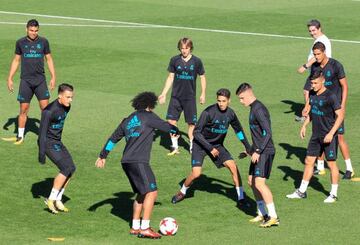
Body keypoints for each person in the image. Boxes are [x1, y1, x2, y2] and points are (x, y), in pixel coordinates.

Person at [95, 92, 179, 239]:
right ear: (149, 105)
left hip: (126, 161)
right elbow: (167, 126)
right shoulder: (148, 116)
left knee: (142, 193)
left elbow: (113, 139)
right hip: (139, 161)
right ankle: (145, 228)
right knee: (152, 192)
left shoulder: (127, 120)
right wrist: (175, 131)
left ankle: (135, 227)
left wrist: (103, 156)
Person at [171, 88, 251, 207]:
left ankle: (241, 198)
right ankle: (182, 192)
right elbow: (196, 133)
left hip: (217, 145)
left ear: (229, 100)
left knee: (233, 166)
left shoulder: (231, 114)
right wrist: (210, 148)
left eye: (224, 101)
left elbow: (238, 130)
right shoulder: (208, 112)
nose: (221, 104)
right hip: (201, 145)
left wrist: (247, 146)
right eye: (219, 101)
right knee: (196, 173)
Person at [287, 70, 344, 203]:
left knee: (331, 164)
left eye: (315, 83)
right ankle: (301, 191)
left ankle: (333, 194)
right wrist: (304, 125)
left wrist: (331, 133)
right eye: (311, 83)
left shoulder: (331, 96)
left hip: (328, 136)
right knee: (308, 161)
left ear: (323, 81)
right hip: (316, 136)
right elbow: (312, 112)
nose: (312, 85)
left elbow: (340, 116)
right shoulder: (312, 94)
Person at [303, 42, 354, 179]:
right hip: (321, 108)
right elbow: (311, 89)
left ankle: (349, 168)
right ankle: (320, 167)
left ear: (324, 52)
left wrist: (342, 104)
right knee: (320, 134)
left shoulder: (336, 65)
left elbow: (345, 86)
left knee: (340, 138)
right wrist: (307, 105)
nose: (316, 57)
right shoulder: (314, 67)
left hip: (335, 108)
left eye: (318, 54)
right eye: (314, 54)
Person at [4, 19, 56, 144]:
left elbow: (49, 59)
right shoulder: (20, 42)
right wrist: (10, 77)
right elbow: (16, 60)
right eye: (31, 30)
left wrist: (53, 76)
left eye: (36, 30)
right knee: (23, 109)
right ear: (26, 29)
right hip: (26, 81)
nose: (33, 33)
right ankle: (20, 136)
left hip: (40, 81)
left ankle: (48, 137)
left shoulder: (43, 42)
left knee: (45, 110)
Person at [236, 83, 279, 228]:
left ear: (248, 94)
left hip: (265, 152)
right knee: (251, 181)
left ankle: (273, 216)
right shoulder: (253, 108)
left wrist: (258, 151)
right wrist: (250, 151)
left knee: (260, 183)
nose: (241, 102)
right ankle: (262, 213)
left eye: (242, 98)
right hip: (257, 151)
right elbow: (258, 135)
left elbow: (267, 132)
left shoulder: (259, 109)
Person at [158, 37, 206, 155]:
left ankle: (192, 146)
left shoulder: (197, 61)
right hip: (176, 97)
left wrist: (203, 93)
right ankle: (175, 146)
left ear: (190, 48)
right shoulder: (174, 60)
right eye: (182, 48)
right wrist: (164, 93)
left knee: (191, 124)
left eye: (186, 48)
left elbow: (202, 77)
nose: (184, 50)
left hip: (189, 98)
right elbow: (170, 77)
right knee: (171, 121)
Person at [38, 83, 75, 214]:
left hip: (57, 142)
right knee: (65, 168)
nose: (70, 100)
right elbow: (41, 133)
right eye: (68, 97)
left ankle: (58, 199)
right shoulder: (49, 111)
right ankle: (51, 199)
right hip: (48, 143)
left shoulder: (67, 107)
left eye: (71, 97)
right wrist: (41, 153)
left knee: (71, 169)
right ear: (60, 96)